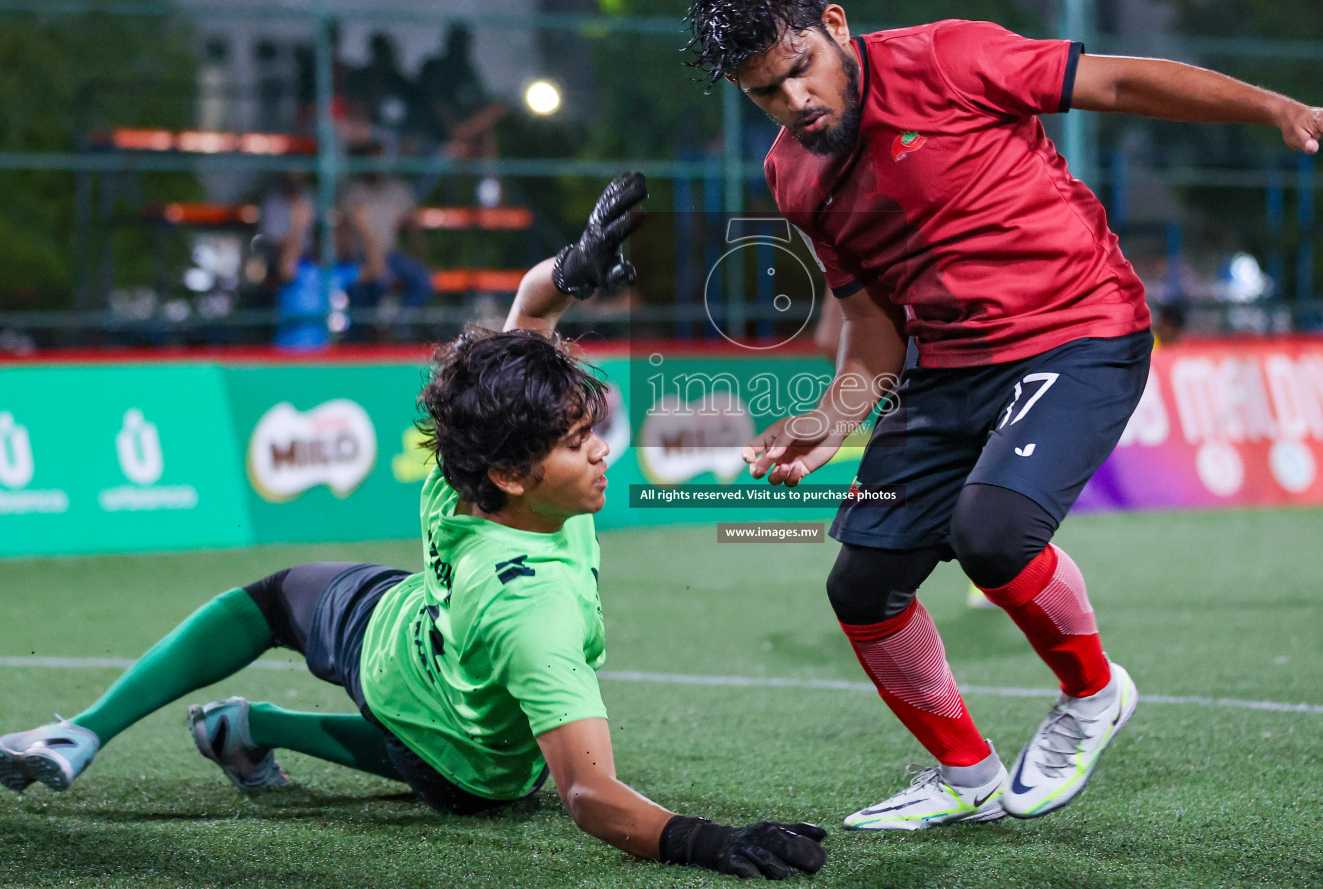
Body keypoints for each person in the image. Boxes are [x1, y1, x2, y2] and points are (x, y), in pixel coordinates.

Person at [686, 0, 1323, 831]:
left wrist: (1275, 107)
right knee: (862, 588)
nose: (794, 100)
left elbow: (1123, 80)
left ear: (835, 25)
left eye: (800, 69)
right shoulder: (793, 176)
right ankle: (965, 774)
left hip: (1080, 330)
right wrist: (833, 419)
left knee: (992, 532)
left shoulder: (947, 58)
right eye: (765, 93)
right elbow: (873, 327)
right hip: (948, 369)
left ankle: (1094, 697)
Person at [0, 174, 828, 881]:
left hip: (398, 640)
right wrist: (712, 841)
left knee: (278, 605)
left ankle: (123, 728)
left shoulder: (463, 460)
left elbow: (529, 311)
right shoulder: (531, 615)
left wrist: (571, 269)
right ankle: (231, 728)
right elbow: (590, 797)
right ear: (512, 475)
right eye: (580, 446)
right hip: (468, 764)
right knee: (410, 738)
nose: (603, 455)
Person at [340, 153, 434, 321]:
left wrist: (423, 257)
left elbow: (413, 228)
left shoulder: (399, 191)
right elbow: (342, 231)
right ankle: (364, 334)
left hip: (391, 256)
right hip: (361, 258)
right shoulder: (353, 192)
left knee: (423, 280)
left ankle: (398, 326)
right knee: (372, 285)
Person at [419, 23, 507, 160]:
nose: (460, 48)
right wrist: (461, 131)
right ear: (448, 43)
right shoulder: (436, 69)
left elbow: (484, 104)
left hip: (463, 133)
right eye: (457, 42)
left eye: (463, 43)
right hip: (438, 135)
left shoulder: (467, 72)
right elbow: (438, 105)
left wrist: (472, 127)